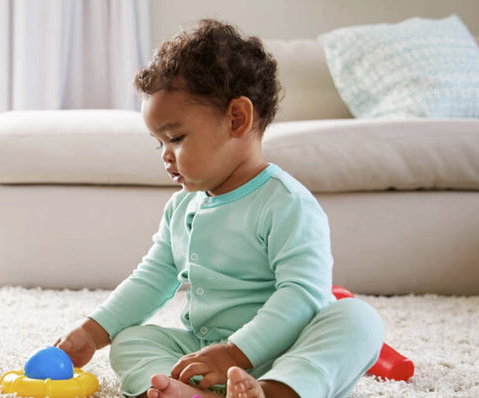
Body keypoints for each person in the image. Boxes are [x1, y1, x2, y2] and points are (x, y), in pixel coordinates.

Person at [53, 19, 384, 398]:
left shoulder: (284, 203)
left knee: (358, 320)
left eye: (176, 138)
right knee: (131, 339)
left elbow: (302, 294)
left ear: (237, 119)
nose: (165, 155)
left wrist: (236, 352)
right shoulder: (181, 207)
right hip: (206, 355)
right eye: (158, 142)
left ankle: (276, 391)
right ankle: (185, 391)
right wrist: (95, 331)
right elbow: (152, 278)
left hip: (286, 349)